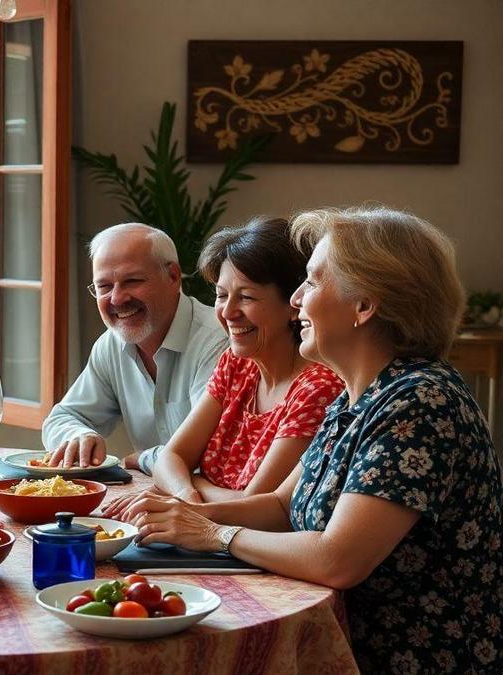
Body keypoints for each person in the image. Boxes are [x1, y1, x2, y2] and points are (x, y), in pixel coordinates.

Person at [127, 206, 503, 673]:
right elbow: (281, 507)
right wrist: (183, 515)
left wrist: (215, 534)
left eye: (313, 282)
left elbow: (338, 560)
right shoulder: (357, 395)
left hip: (402, 659)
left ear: (365, 306)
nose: (297, 300)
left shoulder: (421, 401)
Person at [104, 218, 342, 516]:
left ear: (293, 304)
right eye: (221, 295)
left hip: (245, 549)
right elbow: (170, 457)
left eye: (246, 297)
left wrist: (191, 484)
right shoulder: (237, 363)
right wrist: (185, 492)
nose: (228, 312)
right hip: (199, 531)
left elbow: (255, 506)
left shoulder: (319, 387)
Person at [41, 223, 228, 470]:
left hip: (206, 503)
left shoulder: (218, 340)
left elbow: (209, 454)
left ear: (173, 276)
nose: (117, 299)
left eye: (132, 281)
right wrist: (77, 435)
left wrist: (142, 458)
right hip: (148, 498)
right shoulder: (111, 344)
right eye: (104, 287)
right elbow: (62, 418)